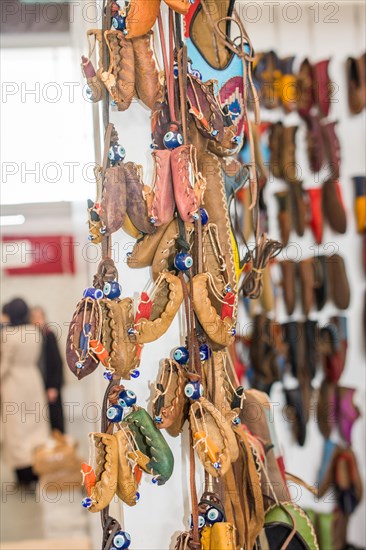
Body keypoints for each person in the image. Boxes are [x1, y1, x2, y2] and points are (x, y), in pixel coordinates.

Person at [1, 298, 49, 487]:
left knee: (16, 430)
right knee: (35, 426)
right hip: (33, 379)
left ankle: (23, 477)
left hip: (14, 383)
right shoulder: (34, 332)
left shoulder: (8, 335)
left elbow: (4, 365)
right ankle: (38, 469)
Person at [30, 307, 65, 433]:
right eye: (34, 318)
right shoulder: (31, 338)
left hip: (51, 385)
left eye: (40, 317)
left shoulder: (49, 335)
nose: (37, 321)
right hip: (37, 385)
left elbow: (56, 363)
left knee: (55, 420)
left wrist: (53, 386)